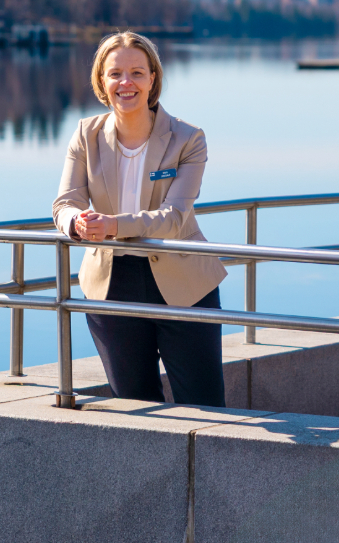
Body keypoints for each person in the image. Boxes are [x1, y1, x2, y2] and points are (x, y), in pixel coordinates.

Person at [52, 31, 228, 407]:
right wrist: (76, 224)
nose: (125, 83)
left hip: (185, 285)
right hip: (111, 285)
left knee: (205, 405)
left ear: (153, 78)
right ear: (102, 80)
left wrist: (113, 225)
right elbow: (64, 203)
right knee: (136, 410)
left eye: (137, 72)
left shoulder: (188, 139)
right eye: (115, 74)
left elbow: (175, 218)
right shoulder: (86, 135)